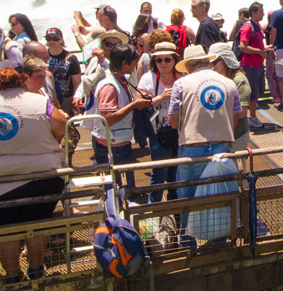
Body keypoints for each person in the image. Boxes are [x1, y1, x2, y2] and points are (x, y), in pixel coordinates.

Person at [0, 68, 68, 283]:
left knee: (5, 230)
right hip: (41, 176)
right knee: (37, 224)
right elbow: (61, 124)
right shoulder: (39, 102)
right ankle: (36, 271)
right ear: (21, 82)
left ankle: (12, 275)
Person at [167, 45, 243, 245]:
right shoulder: (229, 84)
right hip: (222, 147)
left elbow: (173, 121)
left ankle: (188, 245)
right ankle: (218, 243)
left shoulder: (180, 84)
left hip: (192, 147)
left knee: (188, 199)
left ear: (189, 65)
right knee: (219, 198)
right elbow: (235, 120)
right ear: (207, 61)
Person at [88, 44, 148, 192]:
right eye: (133, 62)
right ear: (124, 63)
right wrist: (134, 105)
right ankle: (118, 208)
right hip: (111, 144)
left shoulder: (118, 79)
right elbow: (108, 118)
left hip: (119, 140)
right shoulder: (109, 85)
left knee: (122, 182)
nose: (135, 66)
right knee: (112, 186)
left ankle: (126, 200)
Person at [138, 42, 182, 201]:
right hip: (157, 134)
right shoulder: (147, 79)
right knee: (158, 174)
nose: (163, 64)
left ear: (175, 60)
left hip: (180, 133)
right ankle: (154, 208)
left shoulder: (182, 78)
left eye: (167, 60)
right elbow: (140, 103)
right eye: (159, 60)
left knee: (176, 175)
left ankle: (175, 207)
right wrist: (161, 97)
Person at [208, 43, 250, 151]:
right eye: (209, 61)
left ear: (226, 61)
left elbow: (241, 113)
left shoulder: (239, 80)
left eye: (215, 61)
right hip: (218, 136)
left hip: (237, 136)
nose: (211, 65)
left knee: (235, 167)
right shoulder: (214, 78)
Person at [237, 2, 268, 130]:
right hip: (249, 65)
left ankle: (251, 117)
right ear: (253, 13)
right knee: (250, 93)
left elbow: (258, 44)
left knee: (258, 91)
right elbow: (243, 46)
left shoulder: (258, 26)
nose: (263, 13)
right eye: (261, 11)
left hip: (258, 64)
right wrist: (259, 52)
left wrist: (266, 48)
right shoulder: (248, 27)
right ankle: (250, 118)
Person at [43, 27, 82, 115]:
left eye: (55, 39)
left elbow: (77, 83)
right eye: (49, 38)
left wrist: (75, 101)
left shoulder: (71, 59)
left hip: (65, 99)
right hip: (47, 99)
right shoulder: (42, 56)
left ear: (61, 40)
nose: (52, 41)